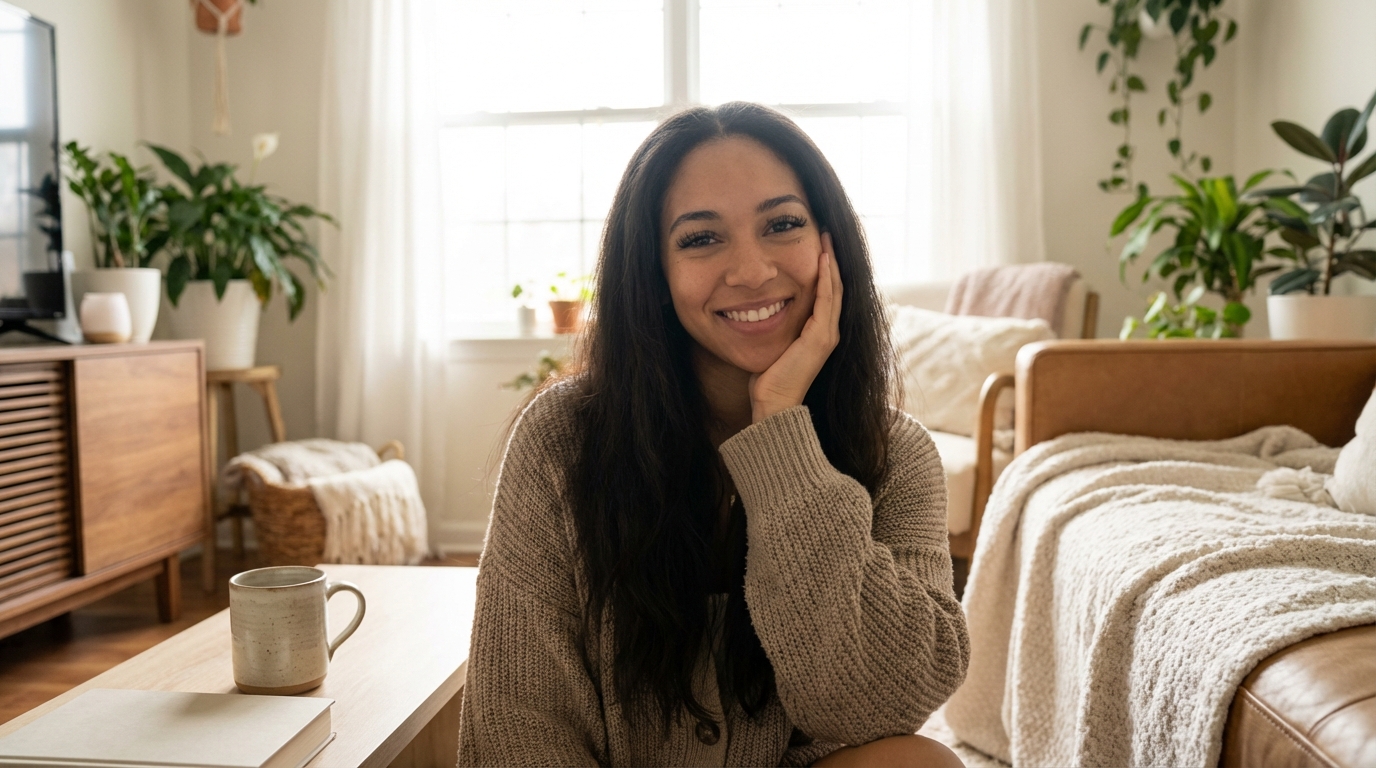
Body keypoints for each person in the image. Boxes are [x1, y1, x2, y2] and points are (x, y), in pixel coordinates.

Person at [457, 102, 969, 767]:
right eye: (701, 238)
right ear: (655, 273)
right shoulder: (562, 441)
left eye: (782, 224)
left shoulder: (897, 455)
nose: (752, 270)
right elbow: (519, 731)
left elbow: (880, 705)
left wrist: (781, 426)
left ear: (830, 244)